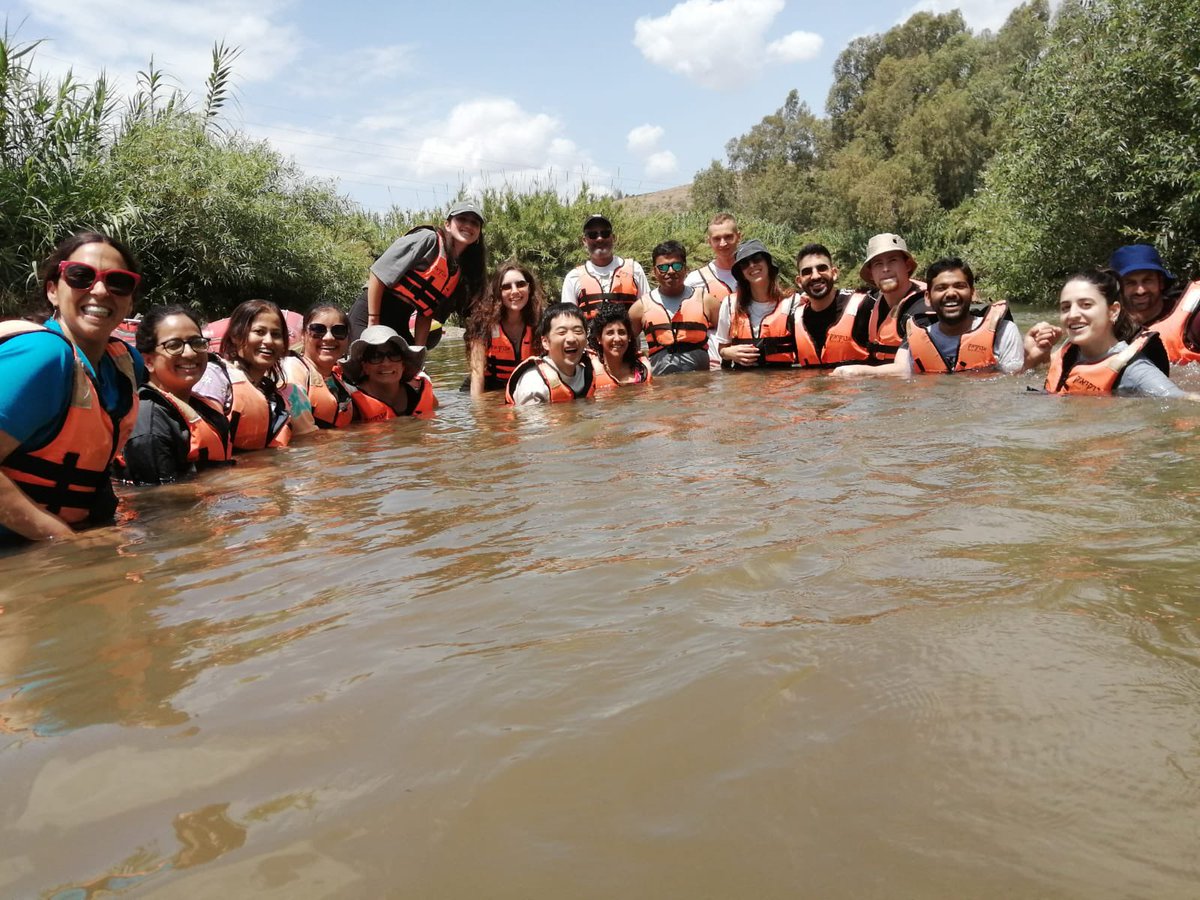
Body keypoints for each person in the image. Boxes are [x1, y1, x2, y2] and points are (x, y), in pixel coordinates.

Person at [0, 231, 145, 540]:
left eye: (118, 282)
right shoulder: (43, 355)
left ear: (130, 300)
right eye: (81, 276)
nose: (101, 290)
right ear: (53, 290)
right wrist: (66, 542)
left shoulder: (127, 364)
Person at [834, 258, 1025, 378]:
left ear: (973, 293)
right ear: (928, 297)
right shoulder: (916, 334)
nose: (951, 293)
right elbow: (901, 371)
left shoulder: (1002, 331)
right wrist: (858, 371)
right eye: (941, 288)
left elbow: (1014, 383)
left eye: (959, 286)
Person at [117, 305, 232, 484]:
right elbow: (160, 501)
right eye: (174, 345)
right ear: (148, 361)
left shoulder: (203, 408)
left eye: (197, 342)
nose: (190, 352)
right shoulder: (149, 423)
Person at [349, 200, 487, 347]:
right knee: (367, 364)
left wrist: (419, 352)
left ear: (478, 233)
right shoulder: (428, 239)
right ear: (447, 224)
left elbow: (426, 312)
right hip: (367, 316)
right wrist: (373, 321)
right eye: (462, 219)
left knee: (414, 368)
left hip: (400, 322)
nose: (468, 225)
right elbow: (377, 274)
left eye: (474, 223)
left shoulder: (458, 272)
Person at [1044, 269, 1191, 397]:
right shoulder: (1069, 351)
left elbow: (1184, 401)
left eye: (1086, 305)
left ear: (1113, 311)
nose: (1072, 314)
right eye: (1065, 307)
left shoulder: (1135, 370)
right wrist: (1034, 356)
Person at [220, 299, 313, 451]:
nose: (269, 341)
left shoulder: (277, 400)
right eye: (259, 332)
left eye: (276, 334)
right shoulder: (218, 380)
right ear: (235, 336)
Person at [628, 240, 712, 375]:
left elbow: (726, 336)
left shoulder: (705, 300)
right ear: (654, 271)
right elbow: (624, 343)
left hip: (700, 387)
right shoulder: (640, 307)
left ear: (686, 268)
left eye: (677, 266)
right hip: (661, 387)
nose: (671, 271)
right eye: (663, 267)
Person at [1109, 244, 1200, 366]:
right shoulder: (1108, 328)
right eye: (1130, 283)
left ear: (1161, 282)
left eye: (1147, 280)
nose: (1140, 290)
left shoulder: (1194, 320)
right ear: (1119, 288)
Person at [713, 240, 798, 368]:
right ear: (741, 273)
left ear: (768, 263)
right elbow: (722, 349)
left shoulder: (793, 302)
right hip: (744, 382)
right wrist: (728, 352)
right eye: (744, 264)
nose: (752, 265)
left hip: (783, 383)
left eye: (757, 259)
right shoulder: (729, 304)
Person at [463, 262, 544, 396]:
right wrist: (478, 413)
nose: (515, 291)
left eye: (520, 284)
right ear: (498, 292)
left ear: (529, 288)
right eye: (507, 287)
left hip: (523, 386)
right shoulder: (483, 324)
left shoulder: (541, 321)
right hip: (489, 388)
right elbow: (477, 374)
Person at [791, 242, 872, 368]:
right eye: (807, 272)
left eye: (821, 268)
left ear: (834, 273)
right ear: (799, 281)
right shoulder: (794, 320)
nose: (815, 276)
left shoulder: (864, 307)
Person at [854, 232, 930, 363]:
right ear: (871, 273)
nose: (885, 269)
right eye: (878, 264)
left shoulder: (923, 307)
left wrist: (855, 372)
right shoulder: (869, 303)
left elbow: (905, 369)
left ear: (907, 266)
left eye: (893, 260)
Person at [560, 213, 649, 319]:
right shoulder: (573, 278)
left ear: (614, 238)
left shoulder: (635, 270)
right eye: (593, 235)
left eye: (605, 233)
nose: (599, 239)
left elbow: (647, 311)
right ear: (584, 241)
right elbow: (568, 321)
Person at [506, 303, 596, 404]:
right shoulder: (534, 382)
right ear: (545, 342)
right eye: (562, 332)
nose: (571, 339)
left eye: (578, 331)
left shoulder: (589, 373)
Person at [281, 304, 355, 428]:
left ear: (347, 339)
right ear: (303, 335)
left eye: (339, 331)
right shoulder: (292, 369)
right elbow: (303, 437)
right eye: (318, 330)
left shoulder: (339, 382)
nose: (329, 337)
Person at [343, 326, 436, 420]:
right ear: (365, 367)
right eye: (375, 357)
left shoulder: (418, 393)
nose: (386, 363)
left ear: (403, 365)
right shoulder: (351, 405)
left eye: (394, 355)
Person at [587, 303, 652, 388]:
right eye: (610, 333)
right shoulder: (590, 371)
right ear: (599, 338)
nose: (617, 339)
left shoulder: (643, 369)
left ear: (629, 337)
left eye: (622, 333)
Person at [684, 213, 740, 309]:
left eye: (728, 237)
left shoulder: (753, 274)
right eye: (717, 239)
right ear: (709, 241)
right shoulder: (696, 280)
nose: (723, 243)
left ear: (738, 237)